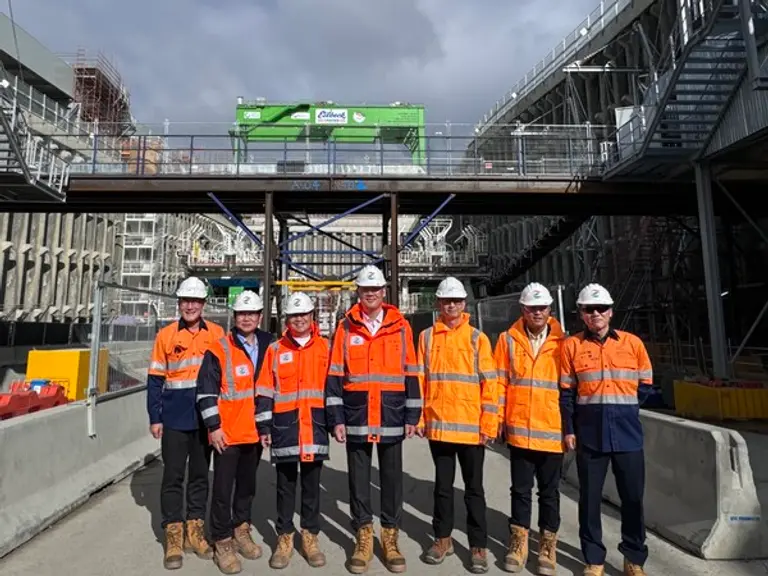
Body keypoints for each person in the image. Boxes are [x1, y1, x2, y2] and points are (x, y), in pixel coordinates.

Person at [325, 264, 421, 574]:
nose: (371, 294)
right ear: (359, 293)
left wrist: (413, 415)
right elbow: (335, 375)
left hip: (392, 414)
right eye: (366, 290)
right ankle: (363, 536)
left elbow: (411, 372)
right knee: (358, 480)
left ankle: (390, 539)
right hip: (357, 415)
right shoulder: (346, 327)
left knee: (392, 480)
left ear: (384, 292)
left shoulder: (401, 327)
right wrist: (336, 418)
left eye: (376, 289)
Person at [560, 283, 653, 576]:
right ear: (582, 314)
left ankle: (634, 558)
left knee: (633, 498)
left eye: (600, 308)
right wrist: (569, 428)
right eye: (589, 309)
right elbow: (566, 393)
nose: (595, 314)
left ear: (610, 312)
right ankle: (594, 559)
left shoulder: (633, 344)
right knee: (589, 499)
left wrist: (624, 409)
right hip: (590, 434)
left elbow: (646, 385)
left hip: (627, 434)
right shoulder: (571, 346)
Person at [417, 276, 498, 574]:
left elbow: (490, 384)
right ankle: (442, 539)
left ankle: (478, 545)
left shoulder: (477, 338)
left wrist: (488, 425)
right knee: (442, 488)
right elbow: (420, 381)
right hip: (438, 426)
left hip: (471, 429)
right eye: (446, 300)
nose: (451, 305)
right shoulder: (426, 337)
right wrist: (421, 418)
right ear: (439, 303)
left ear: (464, 304)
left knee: (474, 489)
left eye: (456, 300)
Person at [146, 276, 225, 570]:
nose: (190, 306)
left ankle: (196, 531)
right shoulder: (165, 336)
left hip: (204, 419)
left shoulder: (216, 334)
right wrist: (155, 417)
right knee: (173, 477)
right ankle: (174, 536)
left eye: (195, 301)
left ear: (203, 304)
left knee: (201, 477)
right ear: (179, 303)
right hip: (175, 418)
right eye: (185, 300)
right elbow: (155, 380)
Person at [196, 289, 274, 575]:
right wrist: (213, 428)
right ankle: (222, 540)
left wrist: (268, 427)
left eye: (252, 313)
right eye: (242, 314)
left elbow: (271, 387)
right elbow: (205, 392)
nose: (247, 318)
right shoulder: (218, 349)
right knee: (222, 489)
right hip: (227, 433)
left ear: (260, 316)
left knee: (247, 487)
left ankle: (242, 528)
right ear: (235, 317)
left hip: (254, 432)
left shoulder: (269, 344)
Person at [493, 282, 565, 575]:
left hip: (552, 432)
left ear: (550, 310)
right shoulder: (507, 340)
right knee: (520, 491)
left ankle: (547, 546)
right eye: (532, 308)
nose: (538, 312)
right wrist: (497, 420)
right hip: (520, 430)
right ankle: (519, 541)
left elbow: (570, 391)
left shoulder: (564, 343)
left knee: (550, 493)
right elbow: (499, 383)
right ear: (523, 309)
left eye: (543, 308)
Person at [255, 292, 330, 569]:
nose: (299, 320)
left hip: (315, 428)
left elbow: (333, 389)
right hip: (284, 429)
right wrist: (264, 426)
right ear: (287, 319)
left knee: (312, 487)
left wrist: (336, 423)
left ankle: (310, 537)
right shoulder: (275, 350)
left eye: (304, 314)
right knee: (285, 487)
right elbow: (264, 390)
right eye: (294, 315)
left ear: (312, 317)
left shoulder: (325, 348)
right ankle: (284, 537)